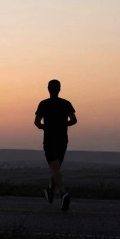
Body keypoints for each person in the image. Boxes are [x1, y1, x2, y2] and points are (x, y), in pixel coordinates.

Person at [35, 79, 76, 211]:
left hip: (49, 139)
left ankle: (63, 193)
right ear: (59, 89)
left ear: (48, 89)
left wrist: (45, 127)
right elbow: (74, 120)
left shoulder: (43, 104)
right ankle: (49, 190)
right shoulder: (66, 103)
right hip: (63, 140)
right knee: (56, 169)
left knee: (55, 168)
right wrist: (63, 125)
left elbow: (37, 122)